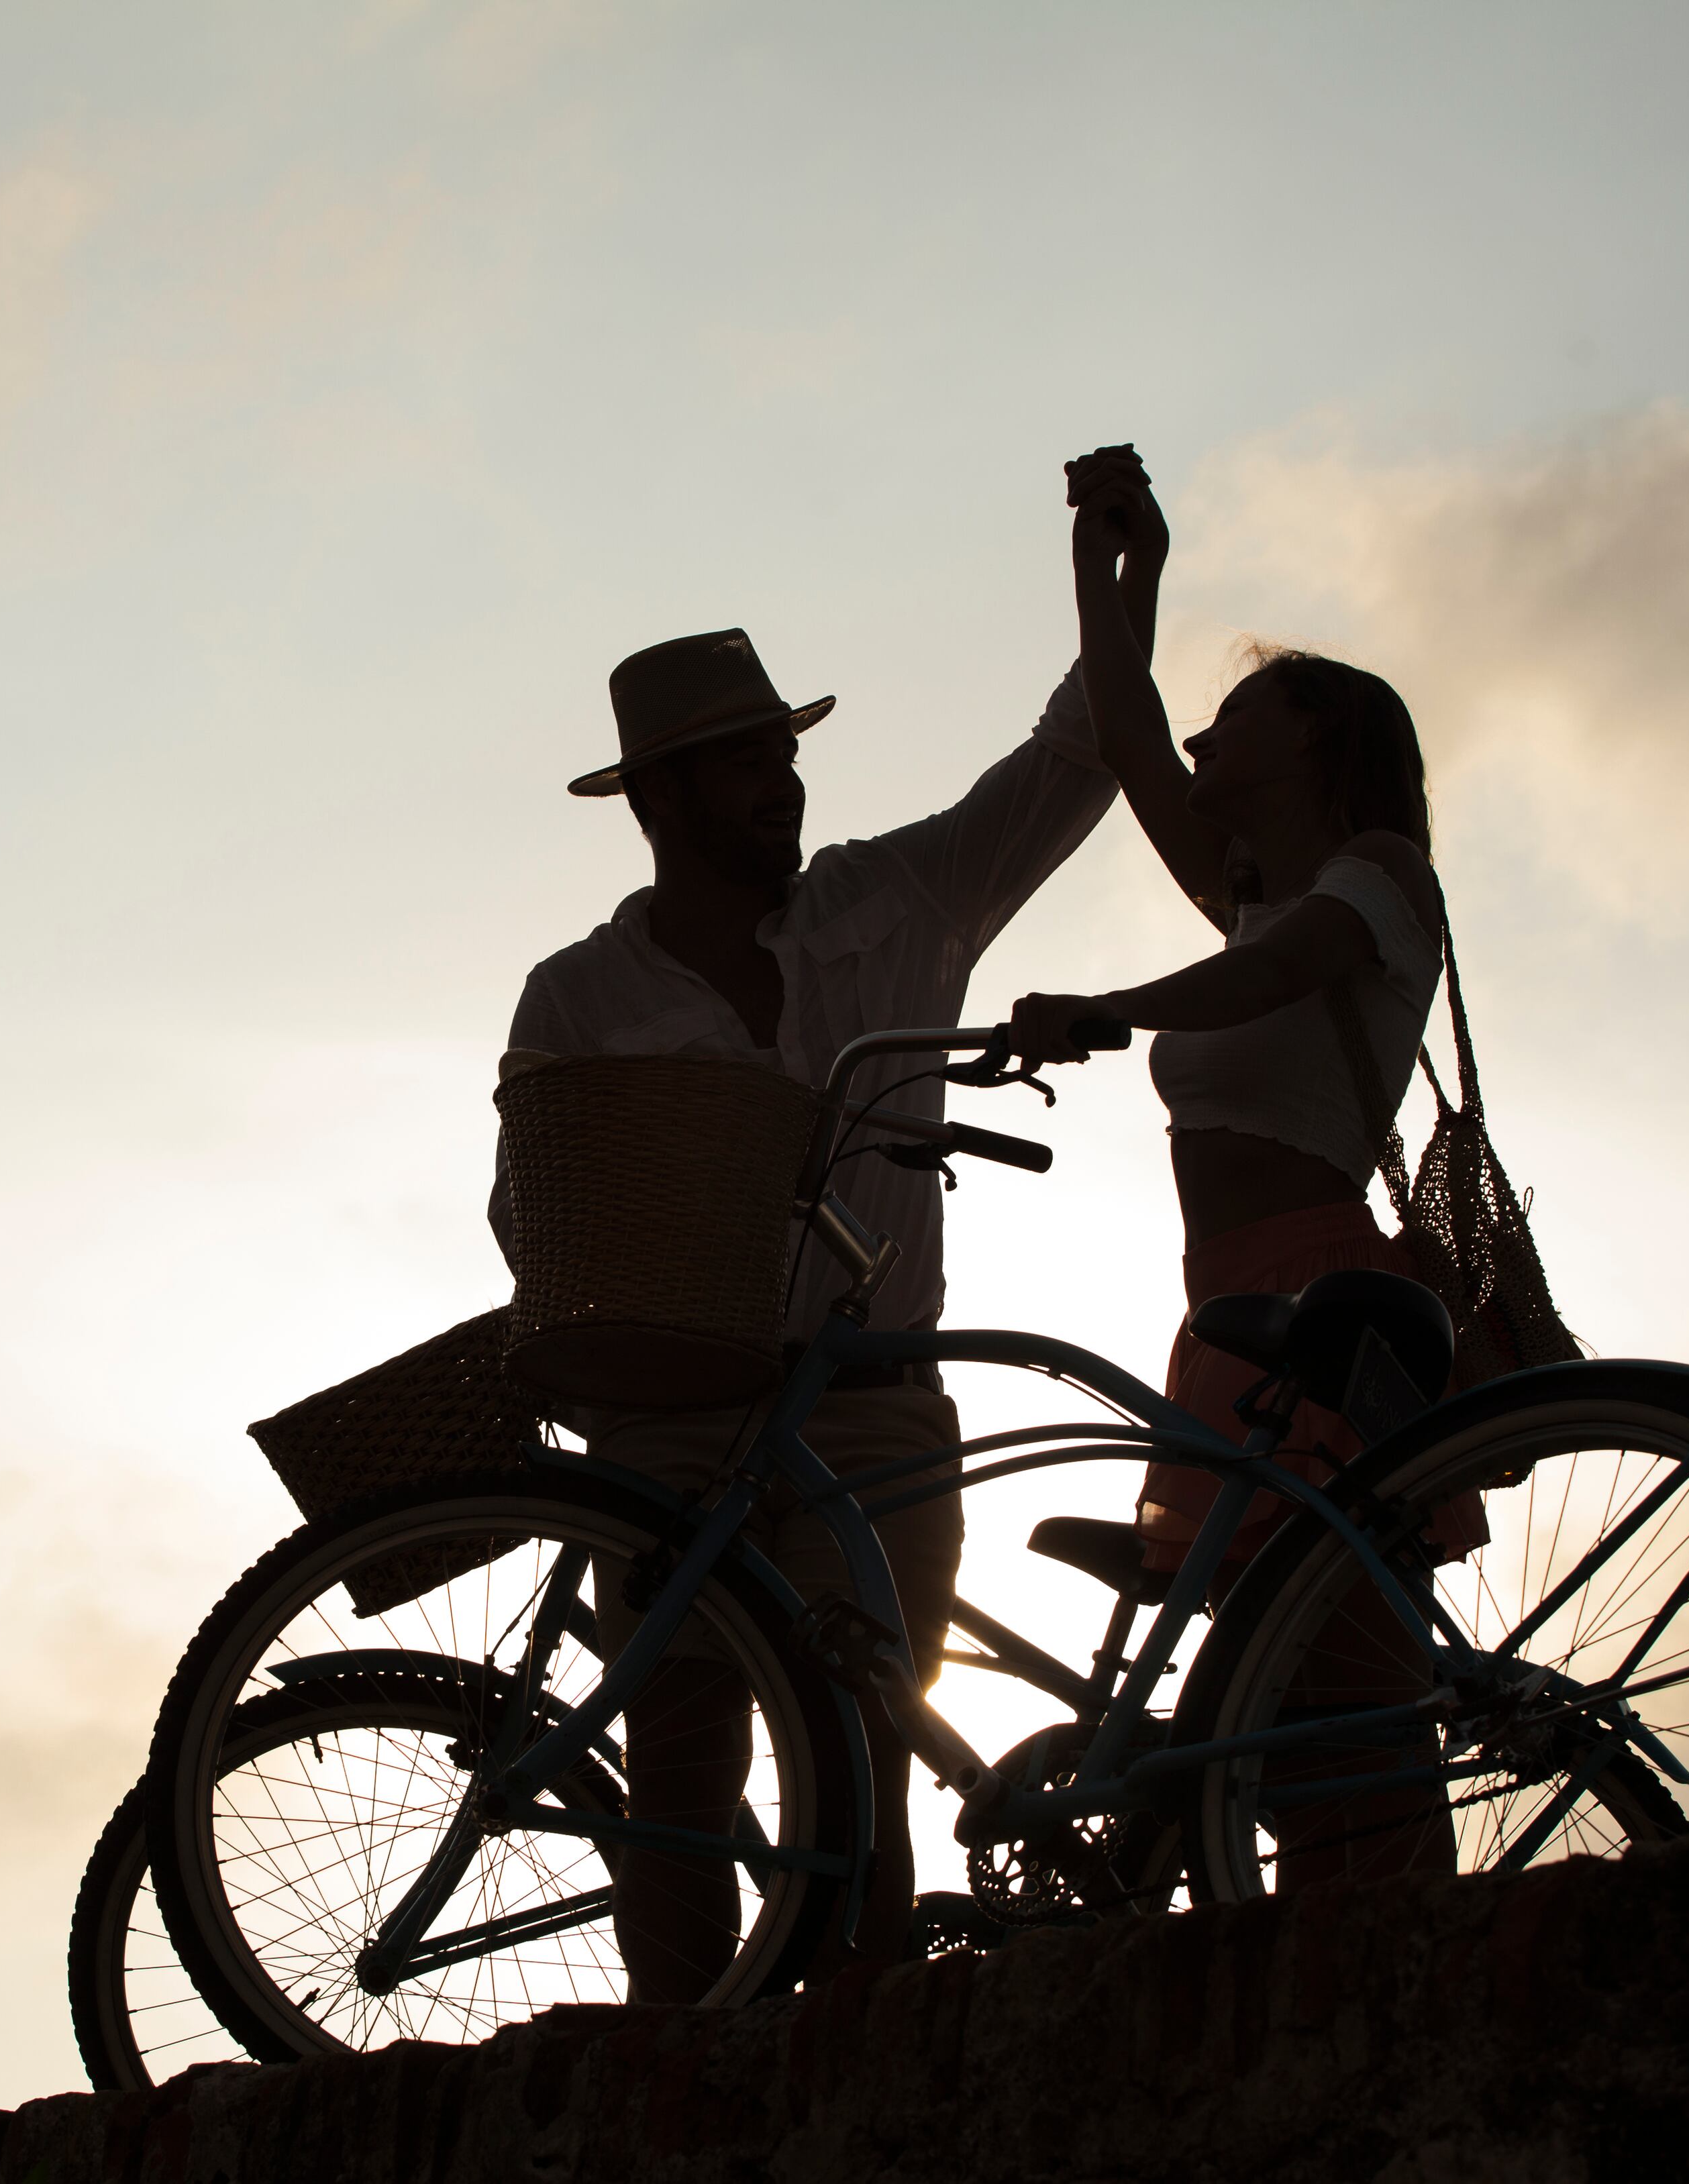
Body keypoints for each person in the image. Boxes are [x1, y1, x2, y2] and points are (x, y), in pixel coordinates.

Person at [492, 620, 1115, 1999]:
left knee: (858, 1745)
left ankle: (858, 2057)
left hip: (872, 1391)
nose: (783, 782)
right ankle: (677, 2073)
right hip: (668, 1414)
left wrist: (1116, 591)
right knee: (681, 1762)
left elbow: (1070, 767)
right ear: (657, 798)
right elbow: (529, 1214)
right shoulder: (577, 996)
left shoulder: (891, 901)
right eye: (742, 762)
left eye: (785, 753)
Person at [1008, 441, 1466, 1883]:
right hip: (1231, 1309)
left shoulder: (1379, 877)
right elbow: (1125, 724)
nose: (1205, 741)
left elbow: (1278, 983)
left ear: (1318, 748)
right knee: (1282, 1686)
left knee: (1345, 1670)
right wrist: (1117, 558)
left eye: (1238, 716)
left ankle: (1401, 1946)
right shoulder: (1254, 906)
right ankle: (1329, 1941)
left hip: (1324, 1290)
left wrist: (1111, 1007)